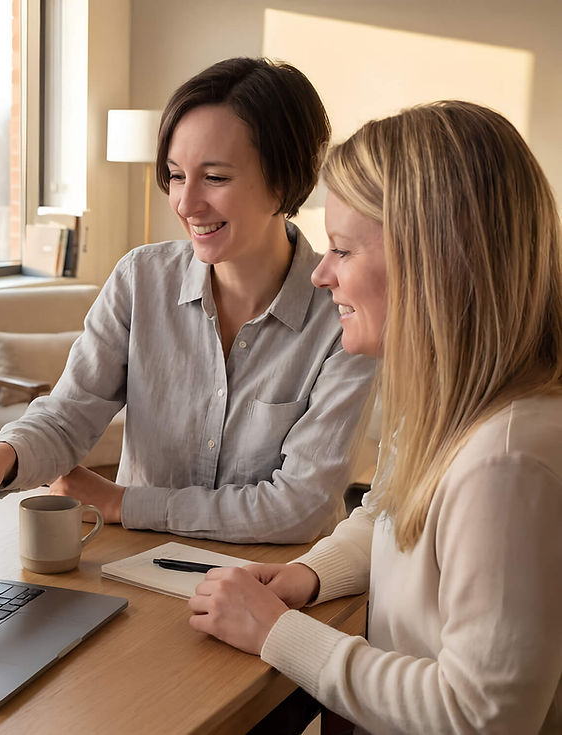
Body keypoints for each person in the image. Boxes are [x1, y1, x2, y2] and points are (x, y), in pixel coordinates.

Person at [188, 101, 562, 733]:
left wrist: (278, 634)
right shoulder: (452, 409)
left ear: (438, 262)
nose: (321, 272)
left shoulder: (506, 461)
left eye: (341, 249)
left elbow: (483, 716)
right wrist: (308, 575)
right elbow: (390, 519)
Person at [0, 58, 375, 543]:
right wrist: (3, 455)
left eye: (216, 177)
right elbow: (68, 416)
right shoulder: (140, 279)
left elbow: (301, 507)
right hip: (137, 567)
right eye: (176, 175)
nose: (186, 205)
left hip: (268, 586)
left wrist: (123, 502)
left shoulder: (344, 318)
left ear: (285, 180)